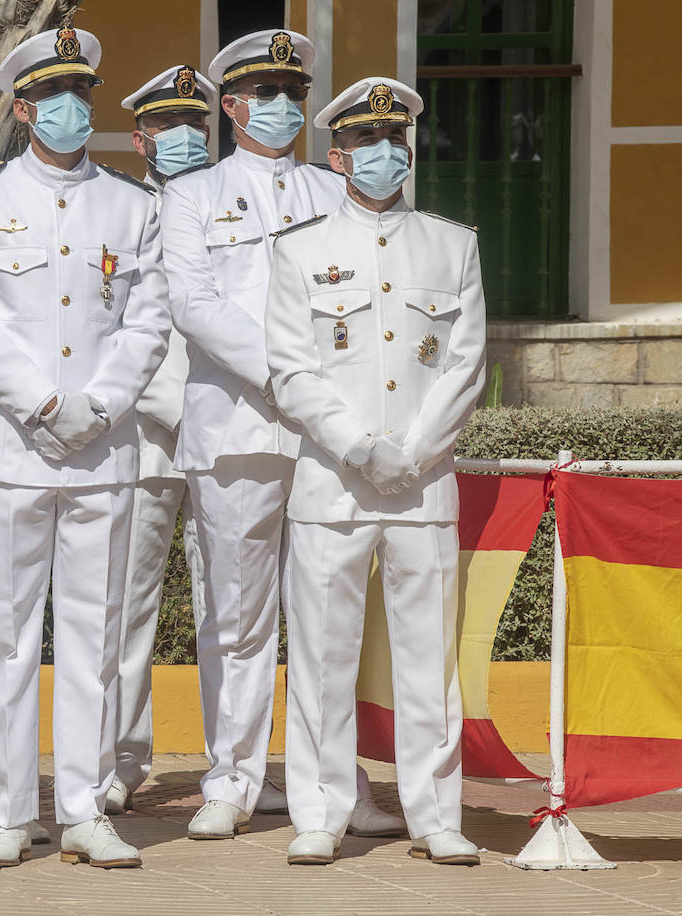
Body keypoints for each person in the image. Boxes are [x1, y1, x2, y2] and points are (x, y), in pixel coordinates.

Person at [160, 29, 404, 841]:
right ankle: (232, 776)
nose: (282, 107)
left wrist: (329, 396)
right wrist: (291, 376)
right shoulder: (190, 196)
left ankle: (336, 784)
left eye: (293, 93)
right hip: (238, 424)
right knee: (234, 611)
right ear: (229, 105)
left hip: (328, 436)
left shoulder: (334, 192)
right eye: (265, 93)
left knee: (330, 613)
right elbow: (194, 305)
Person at [0, 22, 170, 869]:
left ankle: (82, 808)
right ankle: (7, 811)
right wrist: (42, 402)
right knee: (3, 638)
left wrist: (100, 405)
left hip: (103, 453)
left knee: (93, 638)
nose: (72, 109)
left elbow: (147, 321)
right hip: (8, 450)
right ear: (25, 107)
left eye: (84, 95)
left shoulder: (133, 205)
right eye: (55, 97)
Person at [266, 76, 486, 867]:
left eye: (396, 141)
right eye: (367, 143)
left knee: (428, 657)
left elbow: (466, 366)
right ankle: (320, 810)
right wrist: (361, 448)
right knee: (322, 654)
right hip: (332, 484)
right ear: (337, 156)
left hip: (423, 487)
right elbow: (291, 371)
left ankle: (436, 814)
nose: (385, 154)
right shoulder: (299, 249)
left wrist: (415, 453)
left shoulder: (453, 244)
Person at [104, 64, 212, 815]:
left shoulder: (227, 209)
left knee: (229, 608)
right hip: (144, 437)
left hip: (225, 435)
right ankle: (118, 758)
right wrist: (176, 409)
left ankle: (238, 764)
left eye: (194, 127)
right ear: (141, 138)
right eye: (168, 128)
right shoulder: (120, 214)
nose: (183, 140)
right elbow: (109, 332)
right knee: (125, 606)